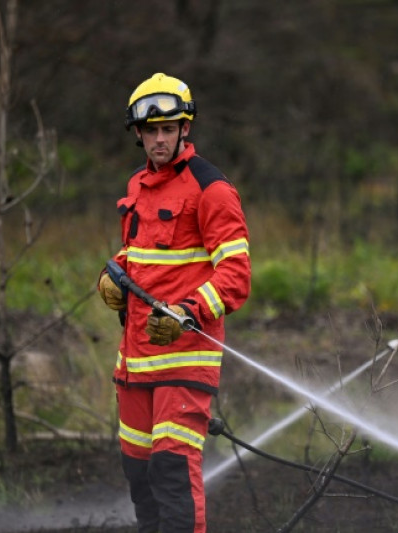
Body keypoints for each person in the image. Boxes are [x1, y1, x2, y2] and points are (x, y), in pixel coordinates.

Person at [97, 73, 251, 532]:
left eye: (169, 129)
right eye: (151, 131)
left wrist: (188, 312)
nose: (159, 139)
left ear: (185, 129)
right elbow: (141, 257)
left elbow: (236, 275)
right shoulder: (137, 186)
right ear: (138, 133)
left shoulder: (211, 189)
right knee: (140, 477)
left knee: (172, 472)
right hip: (136, 360)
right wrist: (112, 276)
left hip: (185, 355)